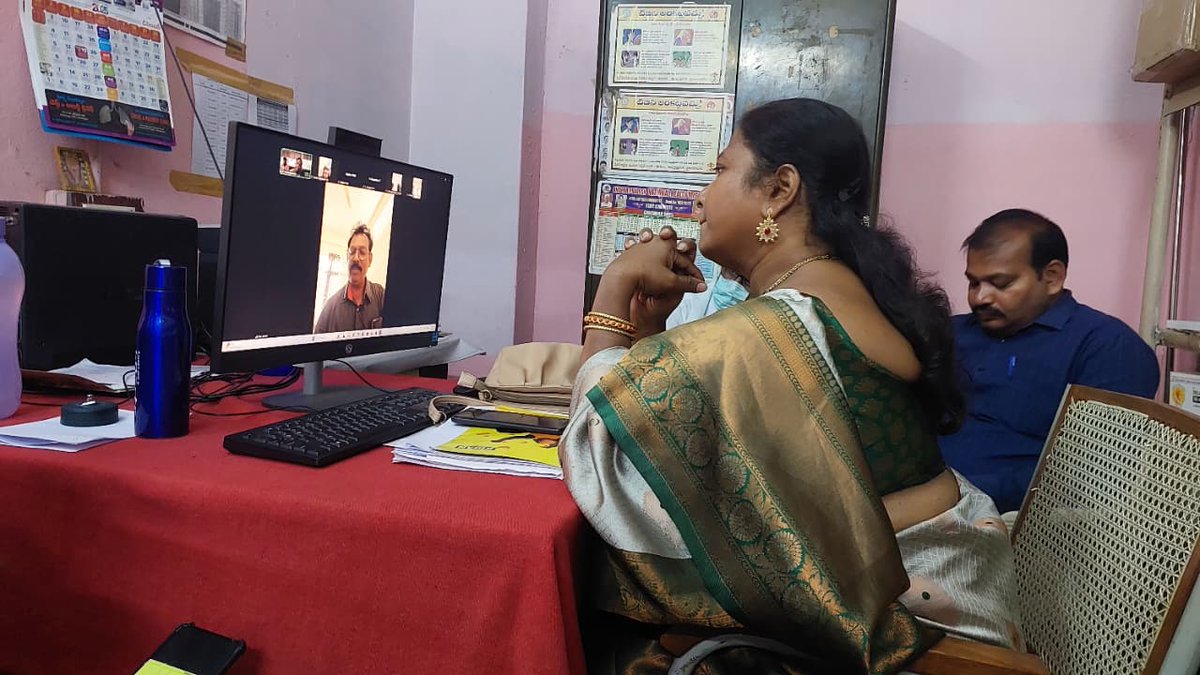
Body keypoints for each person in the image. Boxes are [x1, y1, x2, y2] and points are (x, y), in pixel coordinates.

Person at [561, 98, 1021, 674]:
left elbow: (598, 449)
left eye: (721, 170)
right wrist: (648, 324)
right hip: (938, 584)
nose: (703, 196)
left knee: (593, 627)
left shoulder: (783, 321)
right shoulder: (834, 289)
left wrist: (613, 292)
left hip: (902, 636)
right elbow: (674, 433)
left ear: (779, 189)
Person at [939, 209, 1159, 513]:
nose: (980, 298)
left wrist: (954, 492)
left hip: (1013, 521)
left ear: (1052, 277)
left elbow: (1089, 475)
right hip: (914, 493)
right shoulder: (951, 332)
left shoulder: (1106, 347)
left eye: (999, 283)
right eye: (973, 283)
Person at [314, 224, 386, 333]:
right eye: (352, 252)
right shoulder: (330, 307)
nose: (356, 258)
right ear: (347, 257)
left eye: (362, 252)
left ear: (370, 259)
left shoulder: (381, 296)